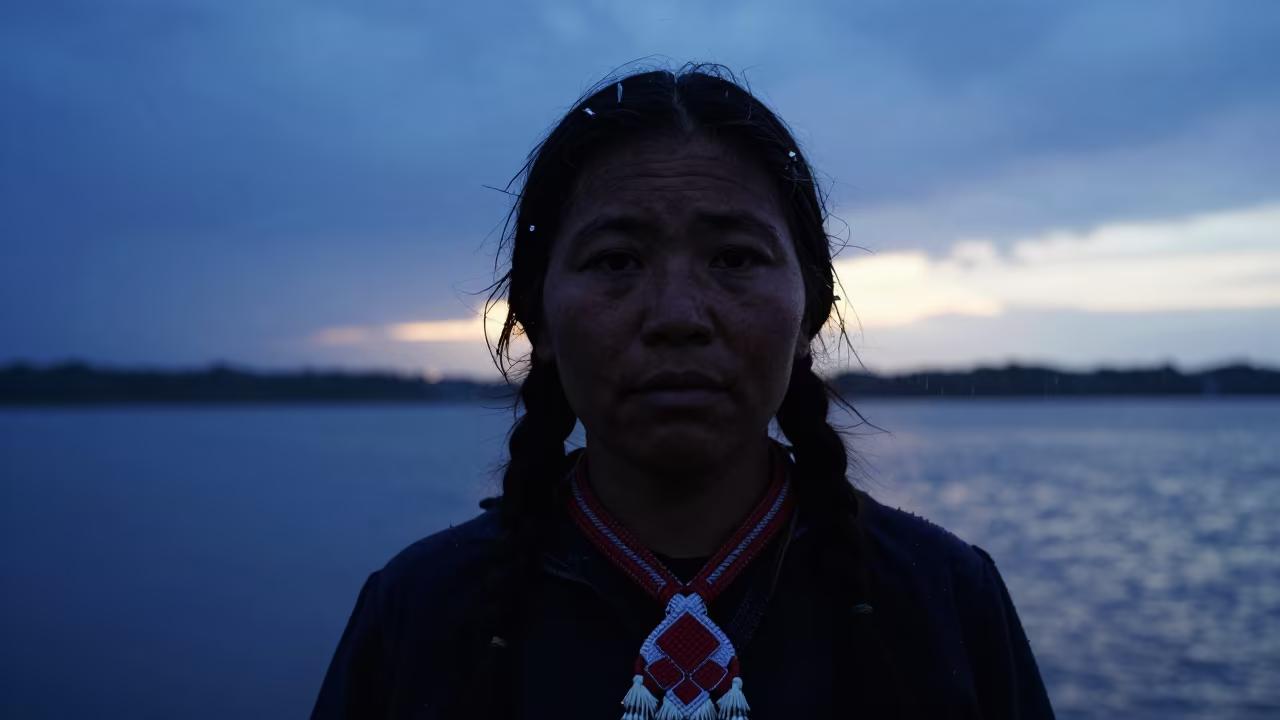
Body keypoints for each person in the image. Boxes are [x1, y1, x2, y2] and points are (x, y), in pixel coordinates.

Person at [311, 64, 1055, 720]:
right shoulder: (420, 612)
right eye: (615, 261)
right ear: (537, 315)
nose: (676, 316)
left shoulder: (945, 601)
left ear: (811, 311)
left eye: (733, 257)